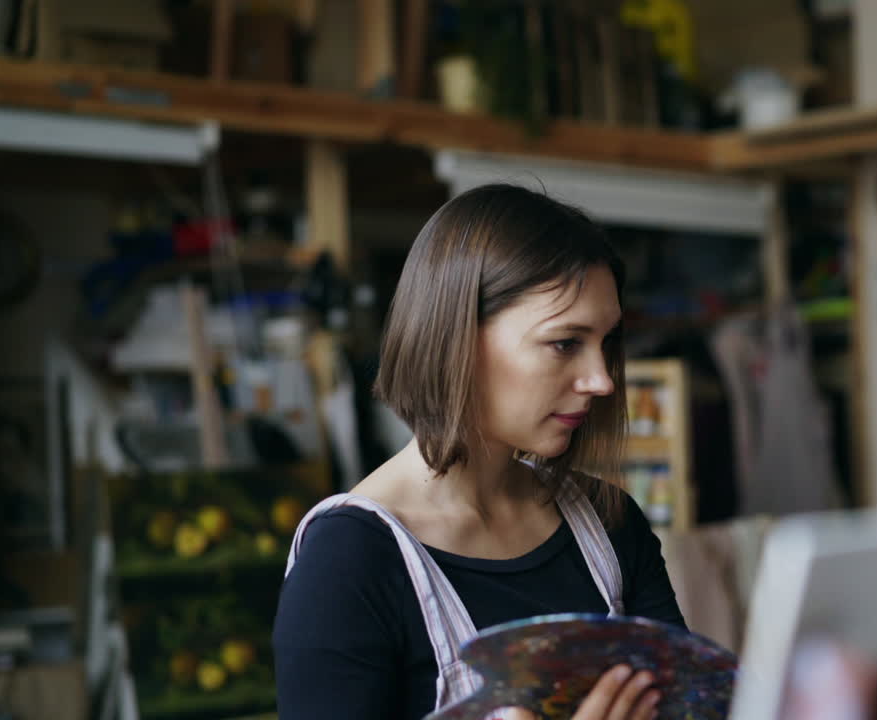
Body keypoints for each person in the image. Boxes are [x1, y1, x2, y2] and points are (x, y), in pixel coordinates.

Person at [273, 184, 685, 719]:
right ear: (457, 340)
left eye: (606, 343)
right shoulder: (348, 563)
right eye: (565, 343)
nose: (601, 380)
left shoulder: (609, 523)